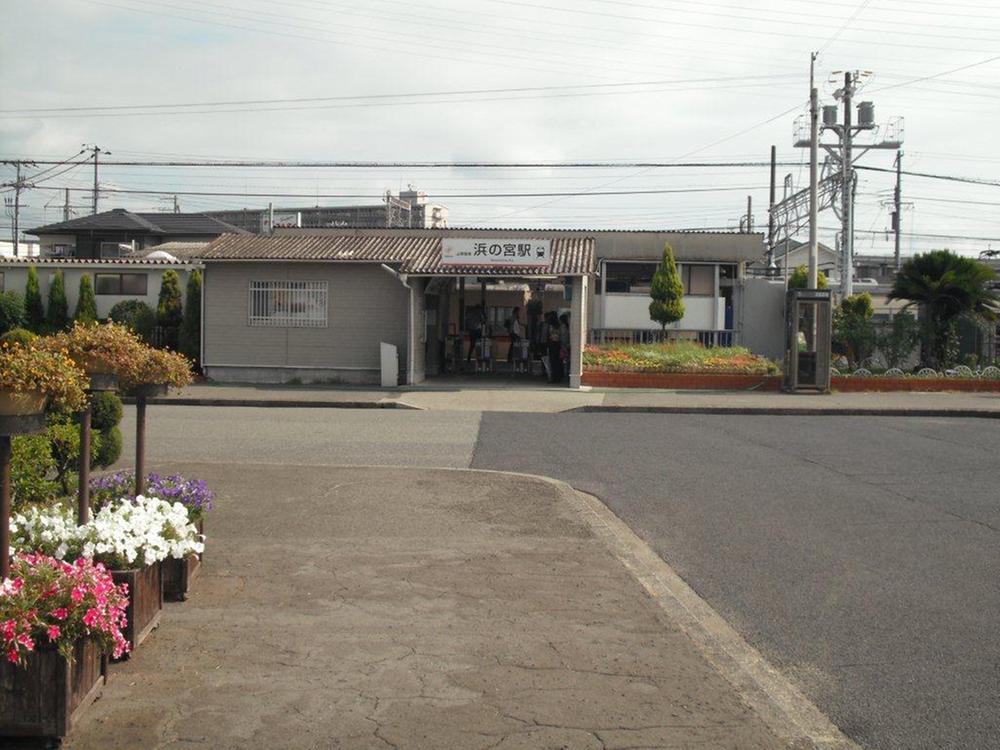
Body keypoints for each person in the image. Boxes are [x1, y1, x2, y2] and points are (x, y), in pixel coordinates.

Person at [544, 311, 563, 383]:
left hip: (552, 344)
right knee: (558, 361)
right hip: (558, 344)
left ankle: (554, 377)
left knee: (553, 361)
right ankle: (559, 376)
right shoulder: (559, 325)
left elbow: (549, 335)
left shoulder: (550, 325)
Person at [559, 312, 571, 382]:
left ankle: (565, 375)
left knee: (564, 360)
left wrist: (563, 345)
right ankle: (566, 374)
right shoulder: (567, 326)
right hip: (567, 345)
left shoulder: (563, 326)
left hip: (564, 345)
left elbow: (563, 337)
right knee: (567, 360)